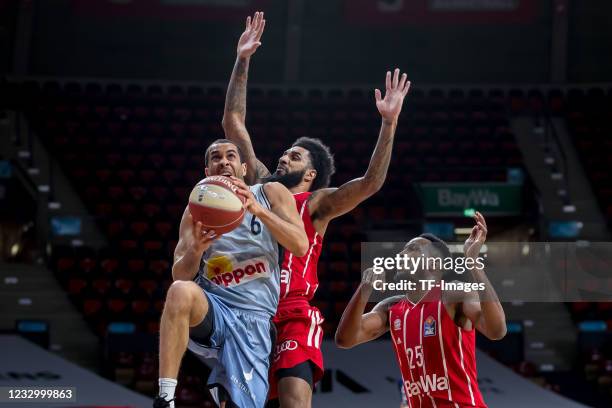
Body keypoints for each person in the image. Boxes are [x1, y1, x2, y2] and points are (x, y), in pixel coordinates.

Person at [222, 11, 411, 408]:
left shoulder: (318, 203)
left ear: (311, 174)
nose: (283, 156)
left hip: (291, 311)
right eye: (286, 151)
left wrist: (389, 124)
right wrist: (242, 60)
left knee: (294, 400)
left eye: (294, 155)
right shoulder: (263, 184)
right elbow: (234, 121)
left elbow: (370, 183)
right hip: (247, 307)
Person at [154, 139, 309, 408]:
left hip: (255, 319)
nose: (223, 161)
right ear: (207, 171)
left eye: (230, 156)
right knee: (180, 291)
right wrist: (196, 251)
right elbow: (179, 274)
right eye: (216, 157)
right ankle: (166, 397)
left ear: (243, 167)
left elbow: (300, 244)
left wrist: (257, 210)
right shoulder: (196, 210)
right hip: (215, 310)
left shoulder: (269, 192)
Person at [335, 212, 506, 408]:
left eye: (412, 249)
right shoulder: (391, 308)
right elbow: (345, 340)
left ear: (433, 263)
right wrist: (364, 289)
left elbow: (497, 330)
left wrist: (473, 263)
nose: (400, 255)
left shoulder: (454, 294)